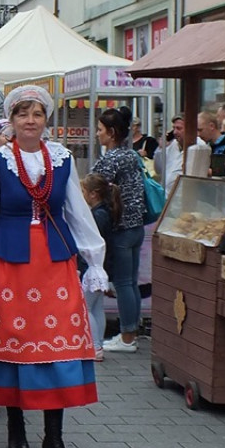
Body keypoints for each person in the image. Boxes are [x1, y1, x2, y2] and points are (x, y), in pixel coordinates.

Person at [0, 85, 108, 448]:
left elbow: (76, 211)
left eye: (37, 114)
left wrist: (95, 259)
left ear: (46, 119)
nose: (30, 121)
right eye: (23, 114)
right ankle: (16, 426)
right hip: (12, 262)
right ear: (12, 120)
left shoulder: (63, 159)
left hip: (55, 263)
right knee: (17, 344)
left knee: (59, 347)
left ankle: (54, 437)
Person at [92, 107, 145, 353]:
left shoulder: (112, 158)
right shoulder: (132, 155)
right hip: (136, 226)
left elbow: (93, 185)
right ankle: (131, 331)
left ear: (111, 133)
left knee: (123, 283)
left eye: (100, 130)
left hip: (121, 228)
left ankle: (127, 337)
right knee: (130, 282)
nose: (97, 134)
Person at [79, 173, 119, 362]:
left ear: (93, 194)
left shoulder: (97, 216)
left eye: (84, 191)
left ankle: (94, 347)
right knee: (96, 307)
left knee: (85, 307)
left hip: (93, 267)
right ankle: (98, 345)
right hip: (103, 267)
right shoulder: (105, 213)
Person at [197, 112, 225, 178]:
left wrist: (210, 172)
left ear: (212, 126)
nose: (198, 134)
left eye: (200, 130)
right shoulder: (206, 147)